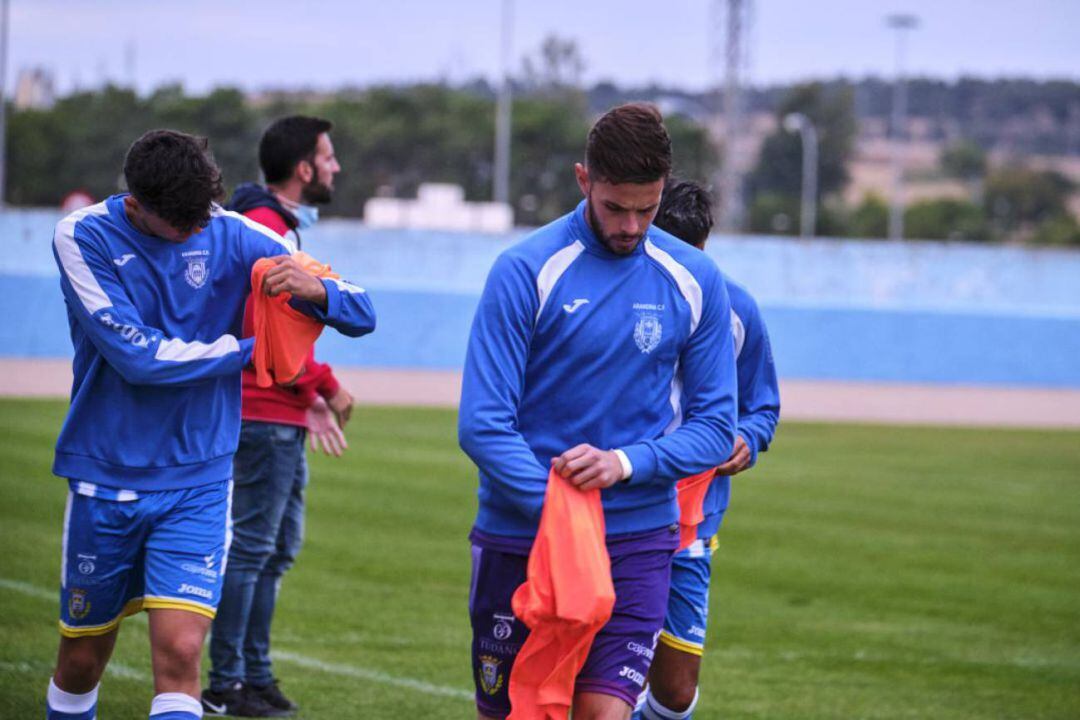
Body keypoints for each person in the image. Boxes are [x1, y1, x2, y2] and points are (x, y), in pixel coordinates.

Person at [46, 129, 376, 720]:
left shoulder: (229, 229)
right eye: (184, 223)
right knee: (82, 659)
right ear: (139, 205)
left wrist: (320, 291)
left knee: (180, 655)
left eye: (204, 215)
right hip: (106, 476)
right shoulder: (82, 235)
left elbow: (363, 309)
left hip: (199, 480)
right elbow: (139, 357)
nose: (199, 230)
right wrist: (252, 351)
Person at [458, 103, 739, 720]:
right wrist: (563, 513)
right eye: (615, 207)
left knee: (603, 712)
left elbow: (717, 427)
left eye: (647, 208)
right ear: (584, 180)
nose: (631, 225)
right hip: (525, 538)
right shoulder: (524, 271)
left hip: (637, 539)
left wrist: (625, 463)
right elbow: (482, 424)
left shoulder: (694, 278)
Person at [204, 115, 350, 718]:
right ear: (304, 167)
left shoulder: (272, 224)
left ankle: (254, 675)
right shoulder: (267, 227)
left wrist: (308, 396)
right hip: (262, 412)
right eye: (328, 157)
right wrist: (324, 385)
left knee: (275, 548)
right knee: (253, 549)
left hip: (279, 410)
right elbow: (259, 330)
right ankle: (227, 683)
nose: (336, 167)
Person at [636, 180, 780, 720]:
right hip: (618, 512)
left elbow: (762, 405)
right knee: (601, 673)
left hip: (692, 523)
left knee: (675, 694)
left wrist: (748, 439)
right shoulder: (624, 298)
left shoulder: (736, 307)